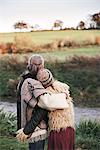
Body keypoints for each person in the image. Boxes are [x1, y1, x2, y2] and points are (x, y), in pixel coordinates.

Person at [17, 54, 68, 150]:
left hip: (33, 125)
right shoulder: (30, 82)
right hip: (36, 127)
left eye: (39, 65)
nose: (38, 67)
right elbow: (44, 105)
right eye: (36, 65)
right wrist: (63, 96)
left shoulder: (28, 79)